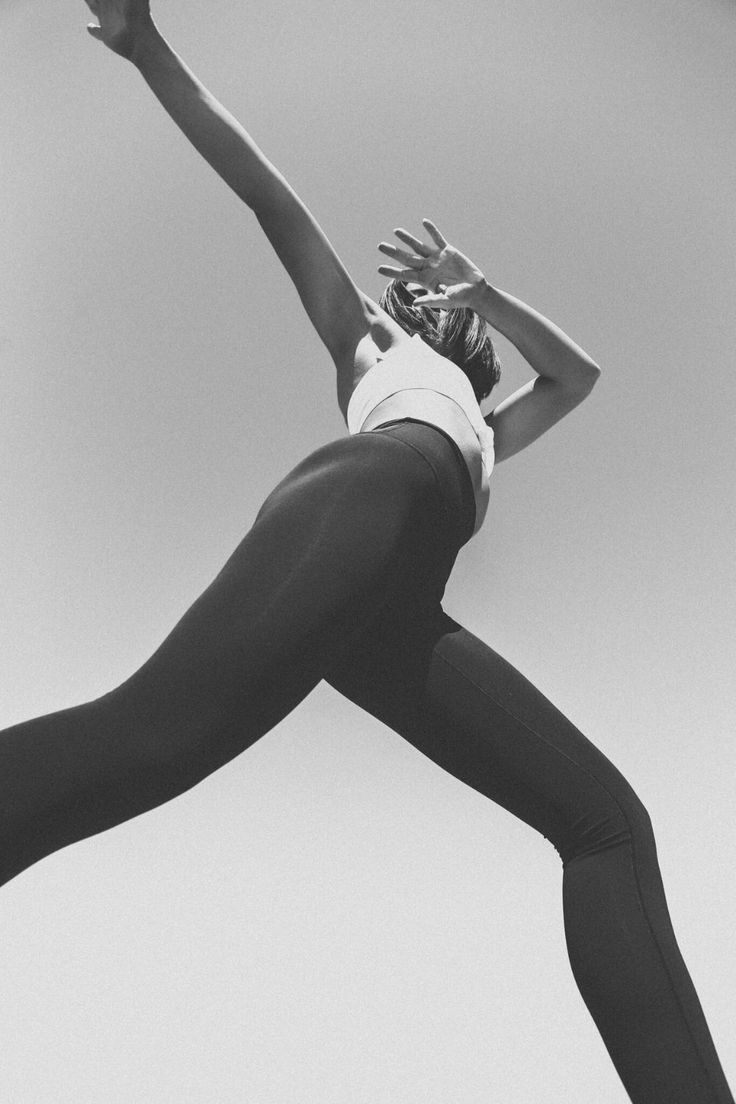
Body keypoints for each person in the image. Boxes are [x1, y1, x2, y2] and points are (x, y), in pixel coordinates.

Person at [1, 2, 732, 1101]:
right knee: (149, 741)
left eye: (433, 305)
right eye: (419, 300)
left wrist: (485, 290)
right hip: (361, 502)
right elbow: (269, 198)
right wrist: (148, 47)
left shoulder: (489, 429)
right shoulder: (370, 350)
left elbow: (576, 377)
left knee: (605, 824)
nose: (413, 305)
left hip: (394, 601)